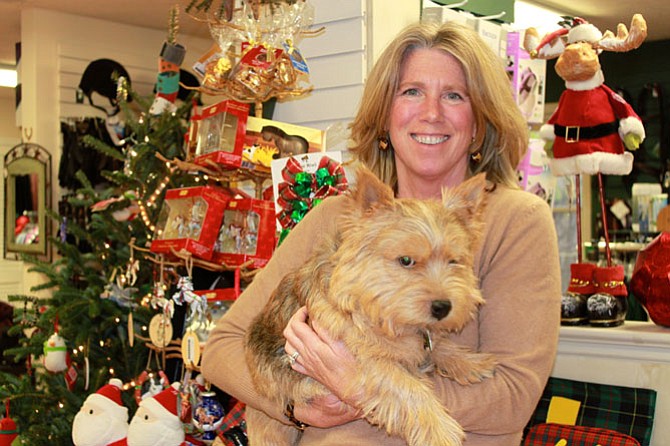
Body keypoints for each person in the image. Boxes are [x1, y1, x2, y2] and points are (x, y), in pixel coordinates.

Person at [201, 21, 562, 445]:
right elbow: (222, 348)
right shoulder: (338, 214)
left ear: (481, 121)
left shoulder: (516, 220)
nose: (432, 112)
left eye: (454, 95)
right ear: (384, 117)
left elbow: (513, 396)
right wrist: (296, 408)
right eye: (411, 91)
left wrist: (363, 385)